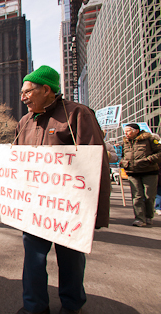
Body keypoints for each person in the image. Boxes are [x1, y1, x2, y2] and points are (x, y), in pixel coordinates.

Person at [14, 66, 110, 314]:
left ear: (46, 90)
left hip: (70, 209)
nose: (22, 97)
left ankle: (72, 305)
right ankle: (34, 307)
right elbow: (16, 163)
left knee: (71, 262)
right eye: (22, 92)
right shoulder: (24, 122)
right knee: (33, 260)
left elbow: (95, 163)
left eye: (27, 91)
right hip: (34, 208)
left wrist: (95, 213)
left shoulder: (77, 114)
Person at [119, 123, 161, 226]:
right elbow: (123, 156)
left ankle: (148, 216)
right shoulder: (125, 142)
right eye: (125, 131)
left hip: (149, 172)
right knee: (136, 196)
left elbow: (159, 153)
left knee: (149, 196)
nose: (126, 133)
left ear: (136, 131)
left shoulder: (150, 140)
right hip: (133, 172)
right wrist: (124, 163)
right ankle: (139, 218)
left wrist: (148, 160)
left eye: (128, 130)